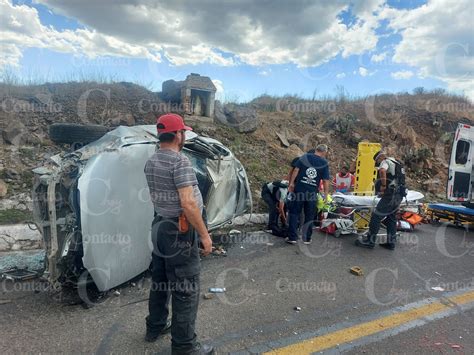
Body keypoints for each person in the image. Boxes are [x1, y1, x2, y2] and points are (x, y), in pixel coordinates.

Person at [144, 113, 214, 354]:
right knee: (185, 287)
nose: (184, 135)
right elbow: (188, 204)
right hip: (179, 231)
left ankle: (155, 326)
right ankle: (185, 346)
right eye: (183, 131)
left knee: (161, 280)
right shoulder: (179, 162)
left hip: (160, 226)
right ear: (177, 135)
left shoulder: (152, 161)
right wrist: (204, 235)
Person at [355, 150, 406, 251]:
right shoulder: (398, 163)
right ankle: (391, 243)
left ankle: (370, 241)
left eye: (377, 161)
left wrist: (383, 185)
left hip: (391, 194)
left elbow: (382, 170)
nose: (378, 164)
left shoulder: (385, 161)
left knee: (376, 216)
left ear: (380, 158)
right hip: (400, 194)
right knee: (391, 218)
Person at [287, 144, 330, 245]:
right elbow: (325, 180)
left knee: (294, 213)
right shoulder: (324, 163)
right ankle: (306, 238)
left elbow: (296, 170)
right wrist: (326, 194)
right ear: (324, 152)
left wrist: (292, 183)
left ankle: (292, 237)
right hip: (312, 193)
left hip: (299, 190)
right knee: (309, 215)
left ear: (316, 149)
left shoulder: (304, 157)